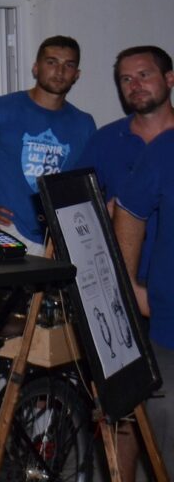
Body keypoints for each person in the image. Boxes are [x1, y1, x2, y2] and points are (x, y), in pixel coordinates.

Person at [0, 35, 95, 253]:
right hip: (9, 232)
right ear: (36, 68)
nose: (59, 71)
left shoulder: (84, 124)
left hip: (60, 237)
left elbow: (86, 187)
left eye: (69, 65)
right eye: (51, 62)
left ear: (77, 75)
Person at [104, 47, 174, 474]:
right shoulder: (160, 149)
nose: (135, 85)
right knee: (138, 415)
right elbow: (125, 208)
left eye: (144, 75)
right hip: (161, 318)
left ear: (169, 79)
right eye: (126, 78)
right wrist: (127, 286)